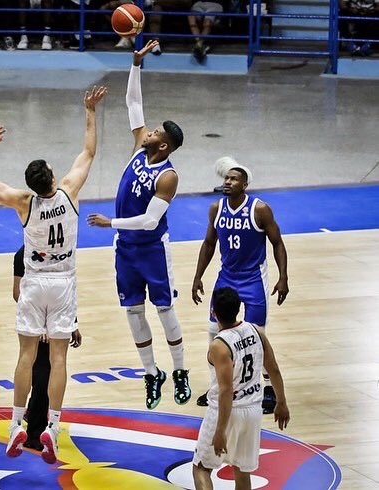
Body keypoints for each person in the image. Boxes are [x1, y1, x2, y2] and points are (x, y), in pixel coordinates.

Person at [0, 85, 107, 464]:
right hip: (63, 282)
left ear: (31, 185)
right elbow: (89, 152)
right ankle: (53, 426)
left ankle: (16, 424)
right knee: (60, 358)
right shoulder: (68, 191)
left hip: (33, 282)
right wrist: (89, 111)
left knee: (27, 354)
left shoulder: (23, 203)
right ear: (51, 175)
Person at [87, 40, 190, 411]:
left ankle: (179, 371)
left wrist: (108, 222)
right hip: (125, 250)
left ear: (163, 146)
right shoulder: (138, 149)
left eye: (156, 131)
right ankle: (152, 374)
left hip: (150, 249)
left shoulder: (168, 176)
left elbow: (149, 222)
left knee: (164, 311)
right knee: (133, 313)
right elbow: (133, 104)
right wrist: (135, 64)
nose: (148, 130)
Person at [191, 161, 289, 414]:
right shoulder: (216, 209)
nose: (228, 181)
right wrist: (198, 276)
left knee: (257, 335)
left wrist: (283, 277)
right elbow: (209, 243)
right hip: (227, 276)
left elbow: (277, 243)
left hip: (253, 278)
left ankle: (264, 387)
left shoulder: (260, 209)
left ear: (245, 185)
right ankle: (217, 386)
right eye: (226, 178)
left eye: (234, 179)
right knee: (214, 332)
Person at [192, 287, 290, 490]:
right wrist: (281, 402)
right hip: (253, 410)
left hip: (226, 411)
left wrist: (220, 430)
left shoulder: (219, 346)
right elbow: (273, 369)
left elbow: (226, 390)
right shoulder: (257, 332)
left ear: (213, 312)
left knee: (201, 468)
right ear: (239, 309)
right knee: (242, 473)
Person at [12, 245, 82, 451]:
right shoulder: (22, 255)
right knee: (41, 381)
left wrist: (73, 323)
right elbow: (18, 293)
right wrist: (40, 324)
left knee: (47, 379)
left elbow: (67, 294)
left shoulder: (61, 253)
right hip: (37, 326)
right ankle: (35, 435)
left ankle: (33, 420)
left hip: (54, 323)